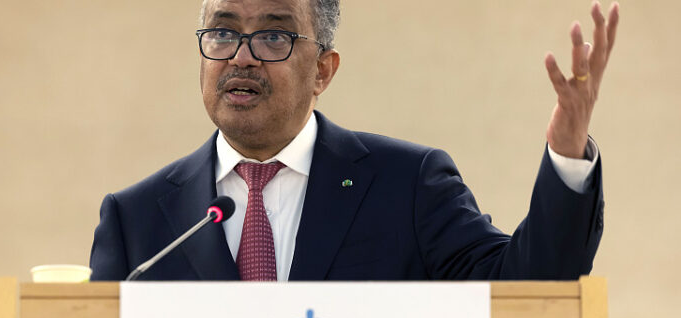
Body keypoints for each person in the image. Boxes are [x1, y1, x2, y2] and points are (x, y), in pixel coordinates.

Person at [89, 0, 620, 281]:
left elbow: (525, 292)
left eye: (274, 34)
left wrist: (568, 154)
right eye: (223, 32)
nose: (241, 56)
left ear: (323, 70)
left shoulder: (408, 186)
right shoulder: (137, 222)